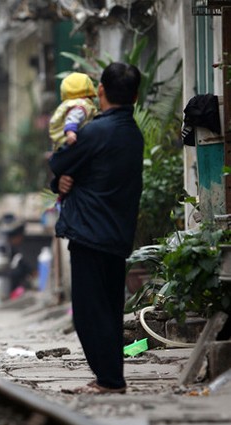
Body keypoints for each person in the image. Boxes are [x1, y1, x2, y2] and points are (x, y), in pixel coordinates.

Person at [48, 62, 143, 394]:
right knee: (110, 310)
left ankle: (109, 380)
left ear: (101, 91)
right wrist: (64, 179)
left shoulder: (94, 131)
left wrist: (62, 178)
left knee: (89, 314)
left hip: (89, 233)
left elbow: (59, 163)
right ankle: (110, 377)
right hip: (118, 234)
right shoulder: (133, 133)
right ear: (135, 95)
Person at [48, 72, 98, 151]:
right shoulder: (80, 105)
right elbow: (73, 118)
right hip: (70, 141)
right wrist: (70, 132)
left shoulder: (70, 104)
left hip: (61, 142)